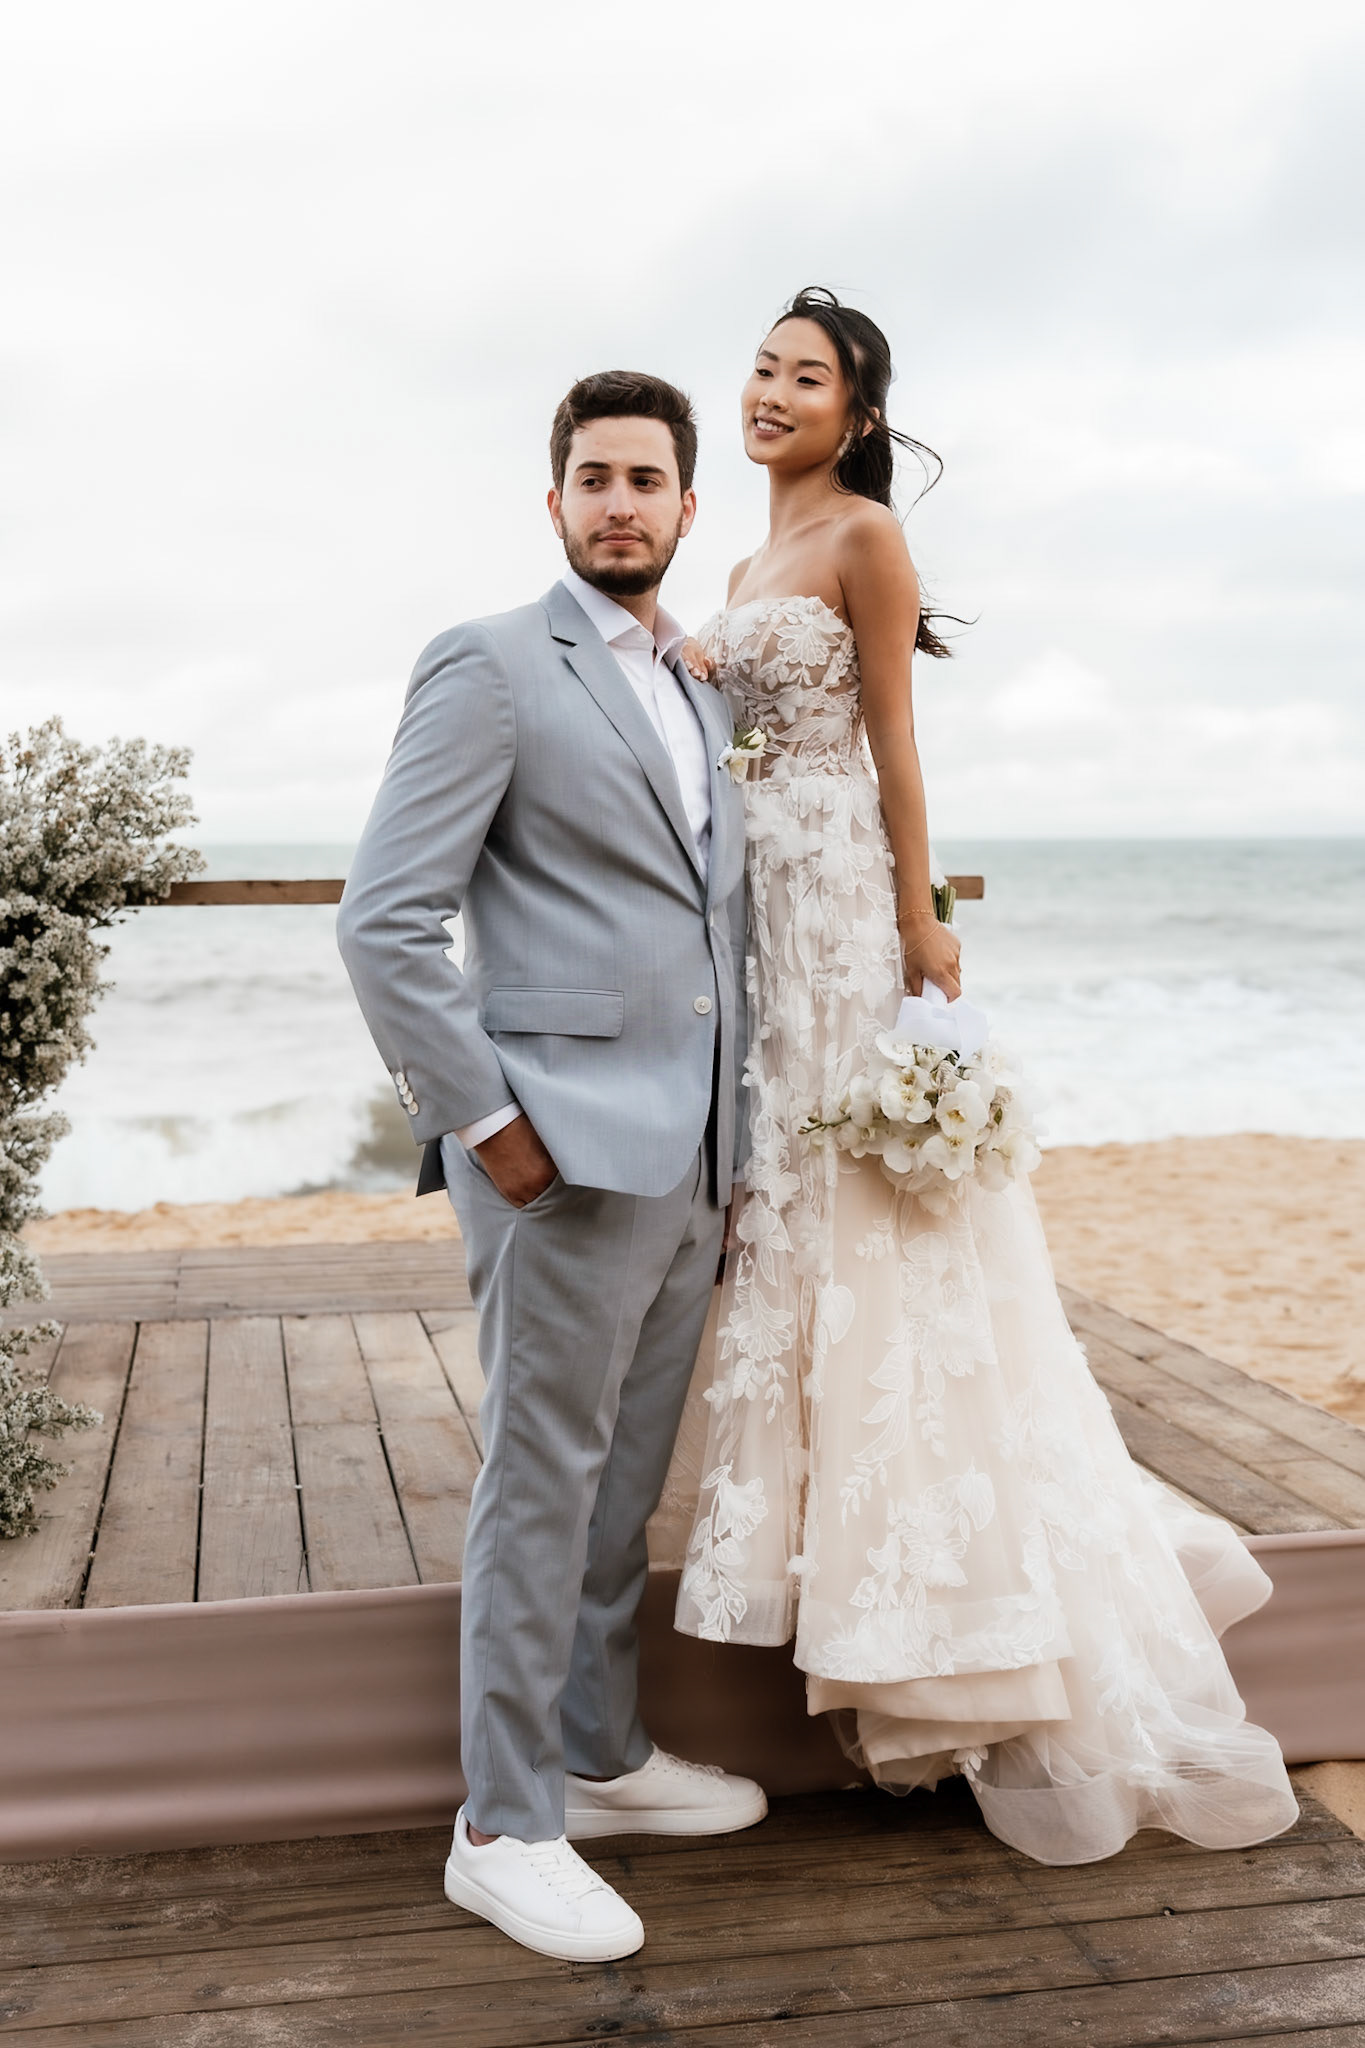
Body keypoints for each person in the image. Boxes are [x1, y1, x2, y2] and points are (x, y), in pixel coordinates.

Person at [667, 287, 1299, 1865]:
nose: (768, 393)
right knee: (797, 1216)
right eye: (758, 368)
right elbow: (753, 754)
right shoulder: (740, 562)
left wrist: (918, 927)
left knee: (888, 1225)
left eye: (802, 378)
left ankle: (972, 1626)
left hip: (844, 925)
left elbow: (893, 745)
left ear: (856, 415)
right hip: (758, 920)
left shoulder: (863, 544)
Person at [337, 370, 766, 1964]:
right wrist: (484, 1122)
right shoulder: (491, 664)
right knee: (538, 1483)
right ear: (555, 501)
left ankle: (595, 1756)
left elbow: (716, 926)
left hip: (688, 1162)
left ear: (684, 506)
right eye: (592, 478)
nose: (619, 504)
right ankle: (502, 1822)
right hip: (556, 1160)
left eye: (646, 480)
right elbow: (382, 918)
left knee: (618, 1488)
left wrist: (736, 1155)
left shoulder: (695, 686)